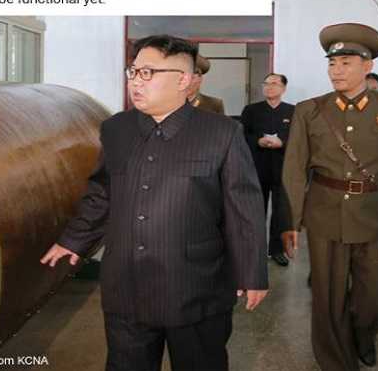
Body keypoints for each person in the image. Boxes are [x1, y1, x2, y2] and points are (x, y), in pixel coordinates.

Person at [41, 34, 268, 371]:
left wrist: (251, 272)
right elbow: (102, 192)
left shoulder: (222, 133)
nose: (136, 81)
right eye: (133, 71)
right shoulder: (116, 129)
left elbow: (244, 209)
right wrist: (74, 239)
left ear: (183, 80)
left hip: (195, 286)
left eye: (148, 73)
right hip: (126, 285)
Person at [282, 23, 378, 370]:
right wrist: (291, 222)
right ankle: (337, 362)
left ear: (367, 66)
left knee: (373, 301)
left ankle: (364, 335)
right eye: (332, 63)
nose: (336, 70)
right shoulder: (309, 110)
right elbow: (294, 170)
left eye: (346, 63)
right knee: (327, 300)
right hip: (324, 215)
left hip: (374, 215)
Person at [240, 73, 295, 267]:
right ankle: (254, 249)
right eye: (266, 83)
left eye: (274, 84)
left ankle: (277, 250)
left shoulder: (292, 111)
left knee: (281, 213)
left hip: (282, 168)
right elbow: (242, 135)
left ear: (283, 88)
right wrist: (258, 141)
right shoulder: (251, 110)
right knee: (255, 210)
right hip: (256, 166)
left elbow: (297, 137)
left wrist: (282, 142)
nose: (269, 87)